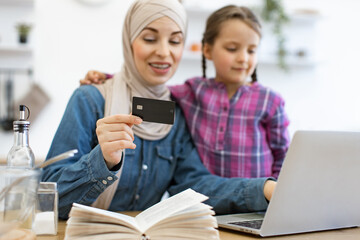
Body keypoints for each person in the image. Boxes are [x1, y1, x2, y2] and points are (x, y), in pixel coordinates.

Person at [43, 0, 276, 220]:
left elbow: (196, 185)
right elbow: (48, 200)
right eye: (150, 38)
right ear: (129, 40)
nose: (164, 52)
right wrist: (102, 160)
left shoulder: (175, 113)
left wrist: (263, 189)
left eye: (174, 41)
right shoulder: (90, 99)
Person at [81, 5, 290, 179]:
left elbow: (284, 155)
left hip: (260, 202)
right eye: (232, 49)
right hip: (208, 205)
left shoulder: (270, 101)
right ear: (206, 50)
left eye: (251, 50)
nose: (243, 58)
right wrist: (107, 79)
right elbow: (149, 88)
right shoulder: (193, 91)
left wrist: (277, 193)